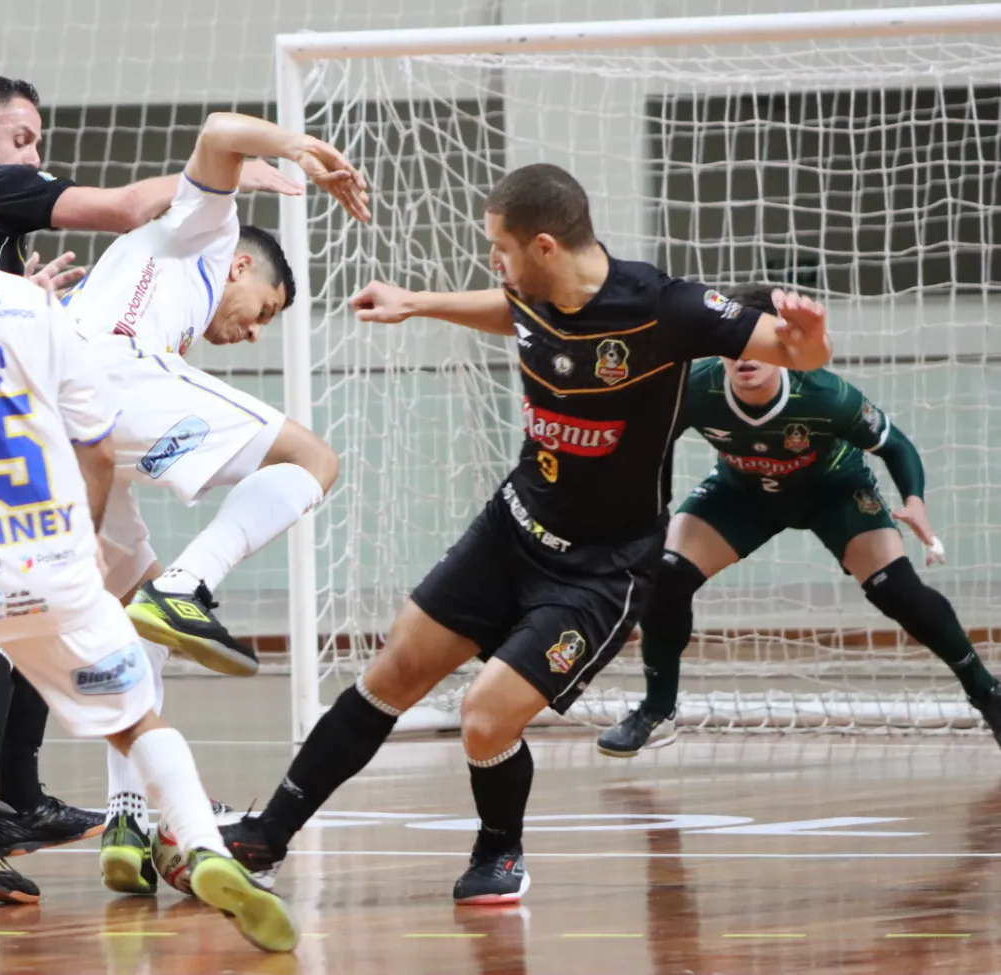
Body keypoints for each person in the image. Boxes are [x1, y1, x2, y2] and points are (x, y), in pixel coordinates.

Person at [216, 162, 831, 905]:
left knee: (483, 715)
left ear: (543, 245)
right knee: (392, 672)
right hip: (513, 528)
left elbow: (794, 352)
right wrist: (419, 303)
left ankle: (500, 851)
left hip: (603, 572)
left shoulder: (663, 308)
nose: (494, 262)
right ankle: (264, 837)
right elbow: (510, 310)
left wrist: (811, 339)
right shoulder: (530, 291)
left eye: (499, 248)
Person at [0, 142, 297, 953]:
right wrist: (77, 542)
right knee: (137, 718)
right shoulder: (33, 303)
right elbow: (98, 440)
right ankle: (205, 847)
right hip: (52, 563)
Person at [59, 110, 368, 895]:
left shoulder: (160, 282)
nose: (257, 330)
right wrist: (297, 147)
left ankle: (127, 816)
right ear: (242, 268)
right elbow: (218, 130)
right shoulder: (209, 228)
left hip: (68, 421)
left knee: (130, 625)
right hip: (116, 379)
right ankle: (189, 587)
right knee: (315, 457)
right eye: (266, 308)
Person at [596, 284, 1001, 756]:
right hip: (741, 494)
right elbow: (650, 447)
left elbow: (895, 445)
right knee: (664, 576)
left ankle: (986, 691)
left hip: (833, 491)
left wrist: (915, 501)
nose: (743, 356)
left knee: (898, 591)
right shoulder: (694, 386)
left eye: (755, 343)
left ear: (780, 344)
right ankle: (656, 710)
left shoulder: (824, 395)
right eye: (732, 346)